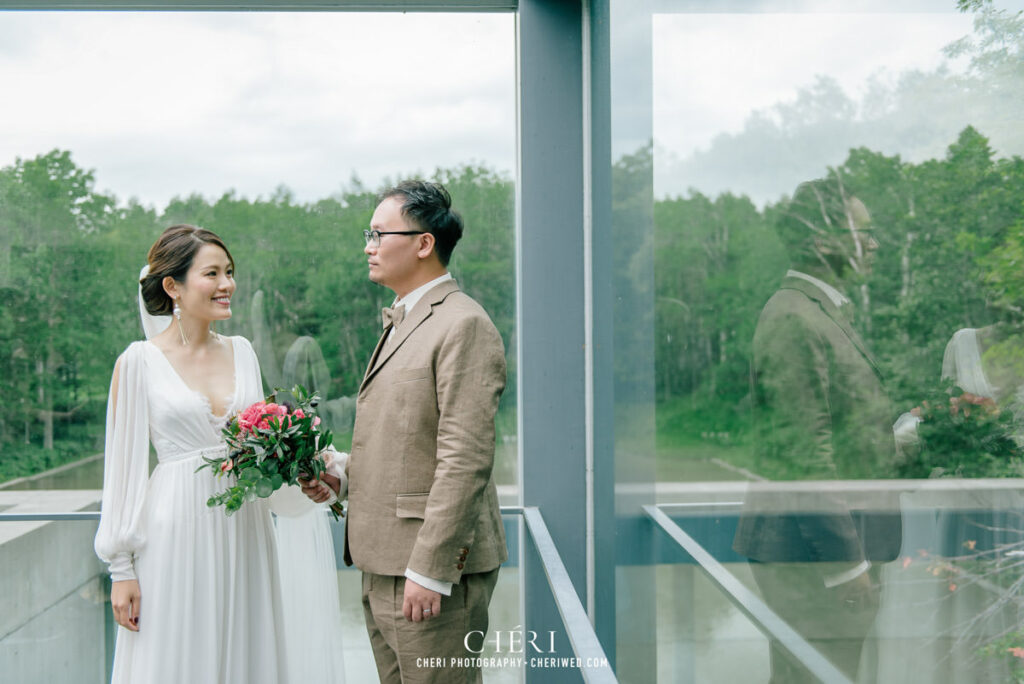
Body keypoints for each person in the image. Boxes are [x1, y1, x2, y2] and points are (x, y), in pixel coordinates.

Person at [94, 224, 345, 683]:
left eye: (229, 272)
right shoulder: (137, 362)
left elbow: (262, 441)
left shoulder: (243, 351)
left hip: (245, 530)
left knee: (247, 652)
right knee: (176, 657)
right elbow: (122, 471)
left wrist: (303, 460)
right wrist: (120, 569)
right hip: (172, 536)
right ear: (173, 286)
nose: (228, 284)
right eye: (212, 273)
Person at [304, 180, 508, 684]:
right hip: (383, 563)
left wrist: (432, 570)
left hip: (428, 572)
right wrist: (344, 475)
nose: (367, 246)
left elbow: (466, 458)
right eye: (368, 234)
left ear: (423, 243)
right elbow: (407, 441)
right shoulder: (403, 319)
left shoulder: (464, 324)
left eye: (378, 233)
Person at [732, 178, 902, 683]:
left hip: (823, 554)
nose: (874, 245)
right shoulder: (794, 317)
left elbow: (839, 432)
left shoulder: (820, 311)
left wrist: (904, 438)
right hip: (813, 560)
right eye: (864, 232)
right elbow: (805, 453)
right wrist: (847, 568)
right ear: (823, 240)